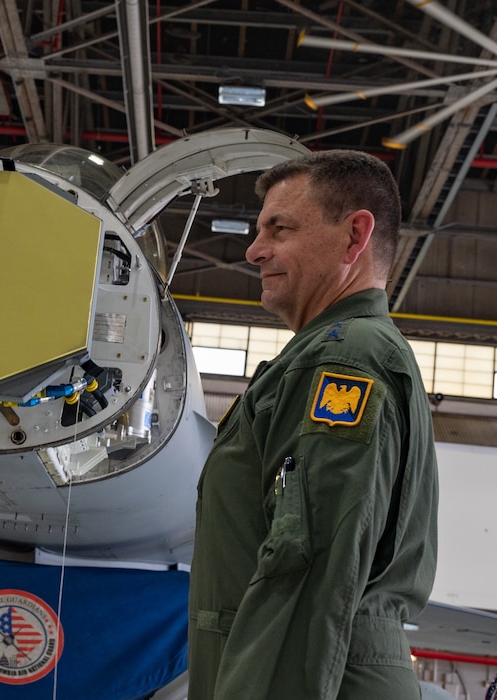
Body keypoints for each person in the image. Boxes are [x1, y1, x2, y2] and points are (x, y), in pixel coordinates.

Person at [187, 149, 439, 699]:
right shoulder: (334, 355)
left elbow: (309, 574)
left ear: (354, 237)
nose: (254, 251)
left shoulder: (342, 360)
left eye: (280, 229)